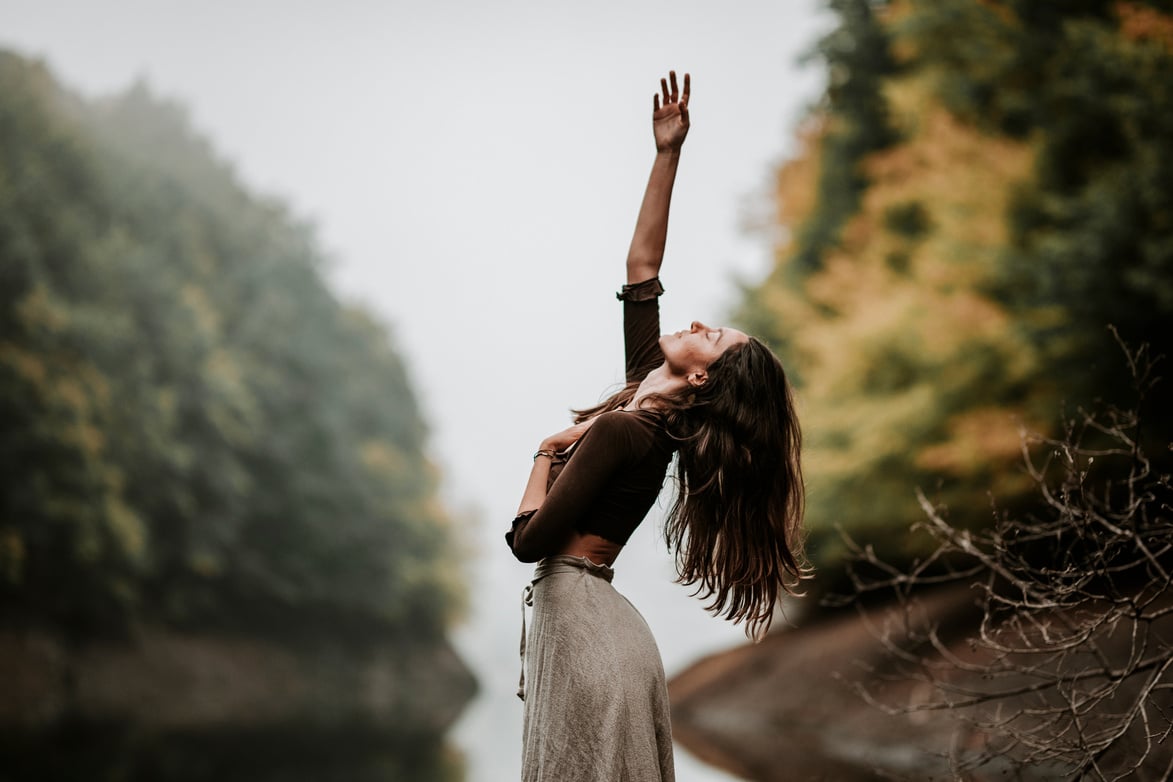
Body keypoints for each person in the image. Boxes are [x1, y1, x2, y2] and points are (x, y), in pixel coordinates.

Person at [505, 70, 808, 782]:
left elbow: (528, 543)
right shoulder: (647, 404)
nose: (699, 322)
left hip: (584, 625)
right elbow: (642, 268)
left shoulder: (625, 435)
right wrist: (666, 153)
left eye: (714, 336)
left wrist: (543, 455)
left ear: (701, 377)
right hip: (594, 622)